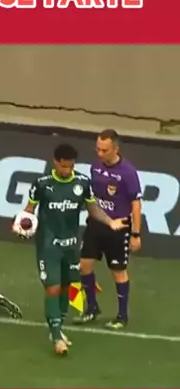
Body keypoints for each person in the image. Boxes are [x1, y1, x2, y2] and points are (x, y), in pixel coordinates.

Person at [13, 143, 128, 356]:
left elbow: (93, 208)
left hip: (71, 245)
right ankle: (57, 337)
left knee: (66, 287)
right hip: (48, 245)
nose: (67, 170)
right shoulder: (42, 184)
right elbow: (28, 211)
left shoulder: (82, 183)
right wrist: (22, 223)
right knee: (53, 288)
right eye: (64, 166)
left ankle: (57, 327)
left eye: (71, 166)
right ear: (55, 162)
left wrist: (110, 222)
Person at [75, 129, 142, 330]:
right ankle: (91, 308)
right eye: (98, 149)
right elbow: (92, 196)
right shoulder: (95, 167)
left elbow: (136, 204)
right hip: (96, 225)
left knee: (118, 271)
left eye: (104, 150)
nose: (100, 153)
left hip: (118, 229)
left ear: (116, 149)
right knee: (84, 265)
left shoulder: (128, 172)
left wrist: (135, 234)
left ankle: (122, 316)